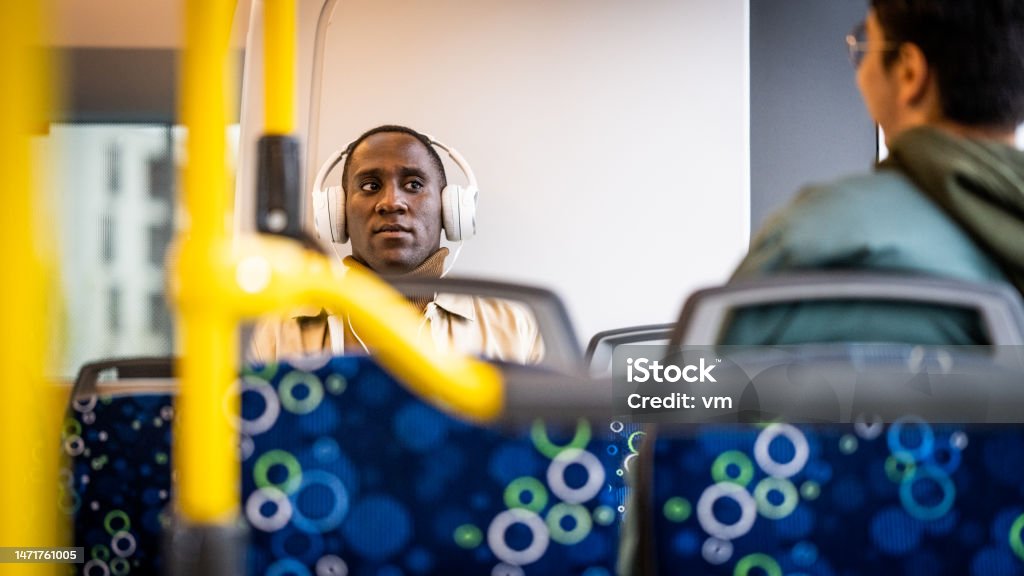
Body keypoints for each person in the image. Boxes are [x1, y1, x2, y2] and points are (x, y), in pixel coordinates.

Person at [724, 0, 1024, 345]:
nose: (860, 70)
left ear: (909, 73)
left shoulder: (809, 237)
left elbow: (709, 385)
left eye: (865, 42)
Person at [248, 125, 544, 364]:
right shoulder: (280, 328)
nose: (391, 202)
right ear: (338, 214)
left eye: (414, 185)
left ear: (448, 208)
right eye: (370, 186)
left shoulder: (513, 325)